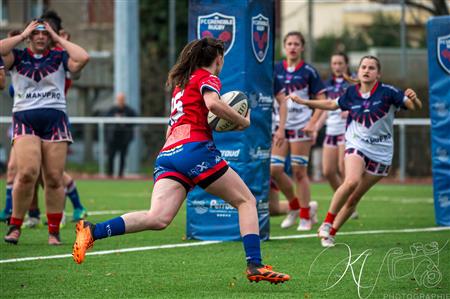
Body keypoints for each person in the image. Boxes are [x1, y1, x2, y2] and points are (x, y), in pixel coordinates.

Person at [72, 37, 290, 284]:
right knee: (246, 200)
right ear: (217, 59)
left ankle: (92, 230)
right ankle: (255, 264)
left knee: (158, 218)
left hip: (168, 154)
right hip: (194, 149)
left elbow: (175, 126)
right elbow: (213, 105)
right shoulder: (208, 77)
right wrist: (242, 122)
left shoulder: (181, 85)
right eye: (222, 59)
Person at [289, 55, 422, 247]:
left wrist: (415, 99)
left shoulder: (389, 92)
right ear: (358, 72)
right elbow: (331, 104)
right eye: (363, 67)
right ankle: (327, 223)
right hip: (356, 143)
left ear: (378, 73)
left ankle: (331, 233)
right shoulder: (351, 93)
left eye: (371, 68)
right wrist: (304, 102)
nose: (367, 70)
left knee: (353, 198)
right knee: (351, 181)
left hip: (381, 152)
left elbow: (413, 106)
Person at [1, 19, 89, 245]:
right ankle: (15, 226)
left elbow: (83, 58)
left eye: (44, 33)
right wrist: (22, 35)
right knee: (28, 172)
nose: (40, 37)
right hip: (25, 119)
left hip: (55, 120)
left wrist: (58, 38)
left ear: (49, 37)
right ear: (30, 36)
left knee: (53, 177)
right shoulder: (18, 57)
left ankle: (53, 232)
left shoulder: (59, 58)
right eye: (36, 33)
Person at [271, 31, 326, 231]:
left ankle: (305, 216)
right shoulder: (275, 68)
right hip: (279, 126)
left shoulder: (309, 71)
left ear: (302, 47)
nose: (292, 47)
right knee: (274, 170)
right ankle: (294, 207)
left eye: (296, 44)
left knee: (299, 172)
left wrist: (312, 122)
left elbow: (322, 100)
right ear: (284, 47)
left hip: (301, 126)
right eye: (289, 43)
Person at [106, 93, 137, 177]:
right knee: (111, 156)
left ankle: (120, 174)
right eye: (119, 99)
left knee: (123, 157)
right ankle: (110, 174)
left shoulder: (129, 111)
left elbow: (135, 121)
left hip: (124, 138)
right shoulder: (111, 110)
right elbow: (106, 120)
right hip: (113, 138)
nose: (120, 101)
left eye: (122, 99)